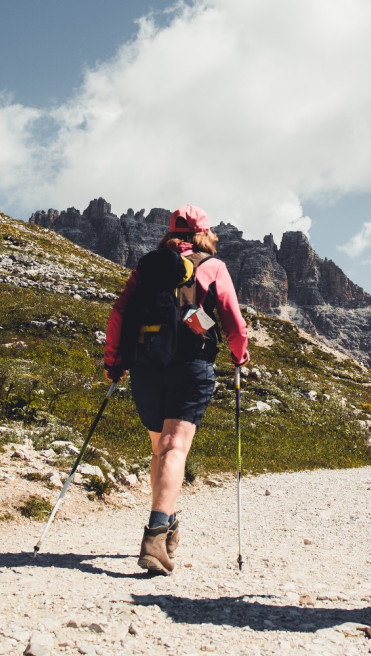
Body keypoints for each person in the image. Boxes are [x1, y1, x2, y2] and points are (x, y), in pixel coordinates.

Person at [104, 205, 249, 575]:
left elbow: (119, 313)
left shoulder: (146, 268)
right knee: (175, 447)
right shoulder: (212, 266)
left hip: (146, 366)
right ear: (204, 233)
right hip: (190, 364)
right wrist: (239, 355)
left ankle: (167, 523)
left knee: (160, 448)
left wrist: (114, 362)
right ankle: (155, 534)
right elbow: (232, 317)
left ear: (170, 233)